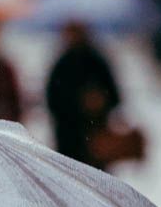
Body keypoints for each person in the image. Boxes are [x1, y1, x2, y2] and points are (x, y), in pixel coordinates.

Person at [45, 21, 122, 168]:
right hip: (69, 139)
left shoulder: (97, 62)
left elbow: (115, 95)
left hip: (96, 139)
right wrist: (76, 104)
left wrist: (100, 101)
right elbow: (53, 100)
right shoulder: (62, 65)